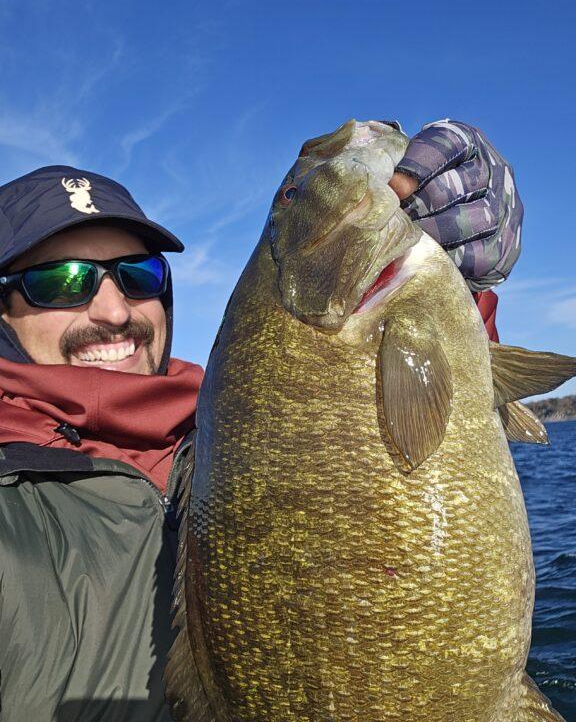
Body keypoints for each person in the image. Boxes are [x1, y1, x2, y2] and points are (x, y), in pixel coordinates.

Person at [0, 121, 522, 721]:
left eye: (138, 274)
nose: (115, 310)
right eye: (59, 282)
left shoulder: (230, 430)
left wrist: (463, 286)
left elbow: (399, 424)